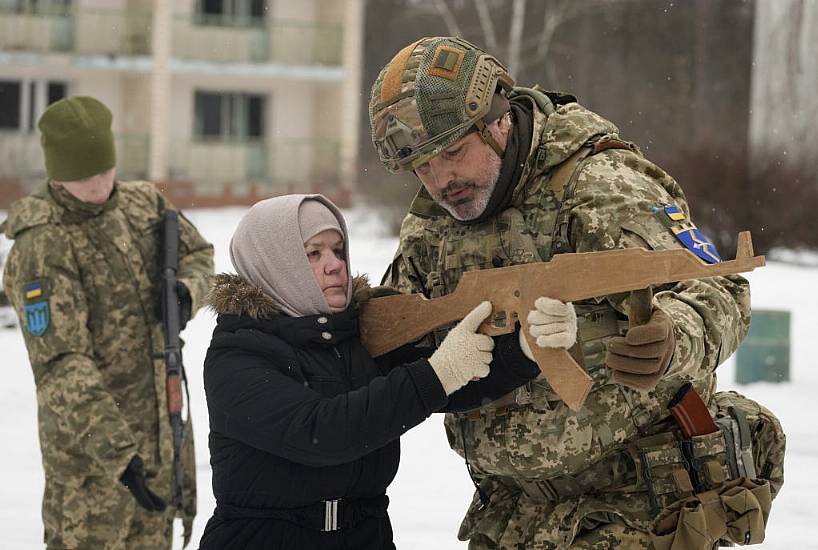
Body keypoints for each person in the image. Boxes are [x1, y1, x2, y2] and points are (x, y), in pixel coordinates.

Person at [369, 37, 784, 548]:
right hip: (510, 512)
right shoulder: (431, 224)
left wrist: (674, 336)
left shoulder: (597, 183)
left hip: (634, 503)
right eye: (422, 166)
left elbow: (716, 284)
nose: (440, 180)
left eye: (453, 151)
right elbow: (390, 328)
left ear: (499, 120)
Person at [198, 194, 552, 549]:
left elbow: (454, 382)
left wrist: (526, 348)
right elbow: (322, 432)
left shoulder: (356, 334)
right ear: (274, 263)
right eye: (313, 253)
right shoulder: (237, 355)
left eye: (338, 250)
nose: (335, 265)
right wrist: (440, 371)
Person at [1, 96, 214, 549]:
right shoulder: (43, 245)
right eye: (83, 176)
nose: (98, 185)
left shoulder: (142, 205)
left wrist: (186, 293)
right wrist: (119, 457)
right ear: (57, 173)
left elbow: (199, 255)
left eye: (104, 170)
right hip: (92, 470)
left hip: (161, 441)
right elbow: (62, 367)